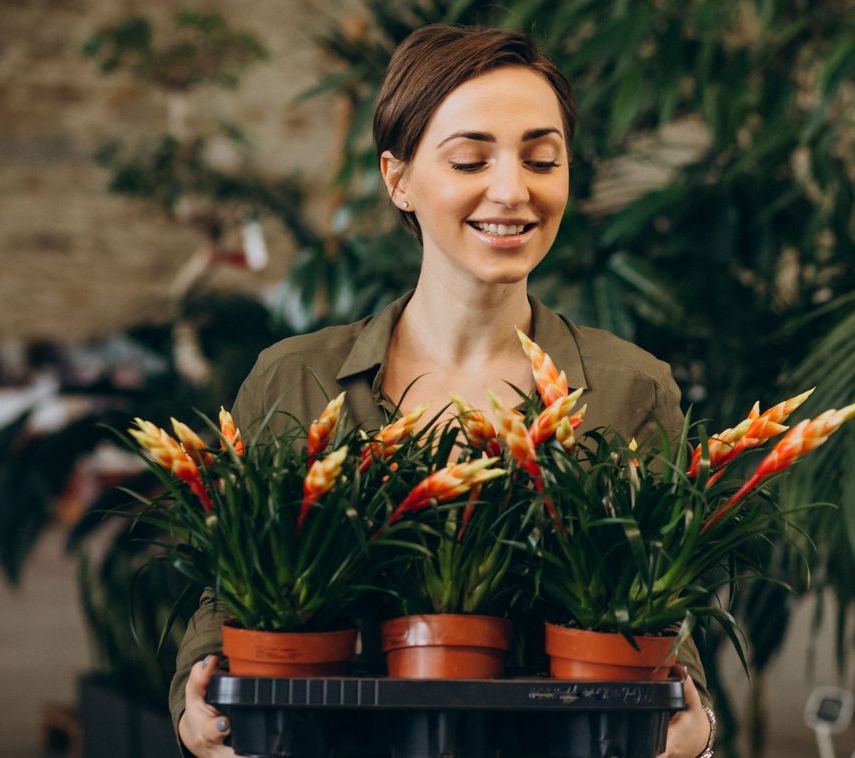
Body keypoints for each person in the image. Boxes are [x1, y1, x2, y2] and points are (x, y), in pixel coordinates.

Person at [170, 24, 716, 758]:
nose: (511, 189)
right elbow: (227, 596)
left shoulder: (628, 388)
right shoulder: (293, 378)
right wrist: (196, 696)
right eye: (469, 159)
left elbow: (664, 617)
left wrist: (695, 722)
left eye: (541, 158)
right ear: (397, 178)